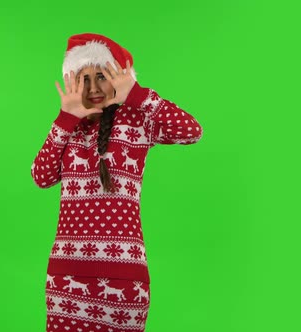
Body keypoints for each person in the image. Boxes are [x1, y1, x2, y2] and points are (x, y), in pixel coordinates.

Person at [31, 33, 203, 332]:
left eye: (102, 75)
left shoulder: (138, 120)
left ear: (119, 77)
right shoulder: (69, 129)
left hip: (124, 275)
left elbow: (191, 131)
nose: (94, 87)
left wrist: (136, 95)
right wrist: (64, 118)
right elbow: (41, 176)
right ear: (73, 82)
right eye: (84, 78)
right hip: (67, 276)